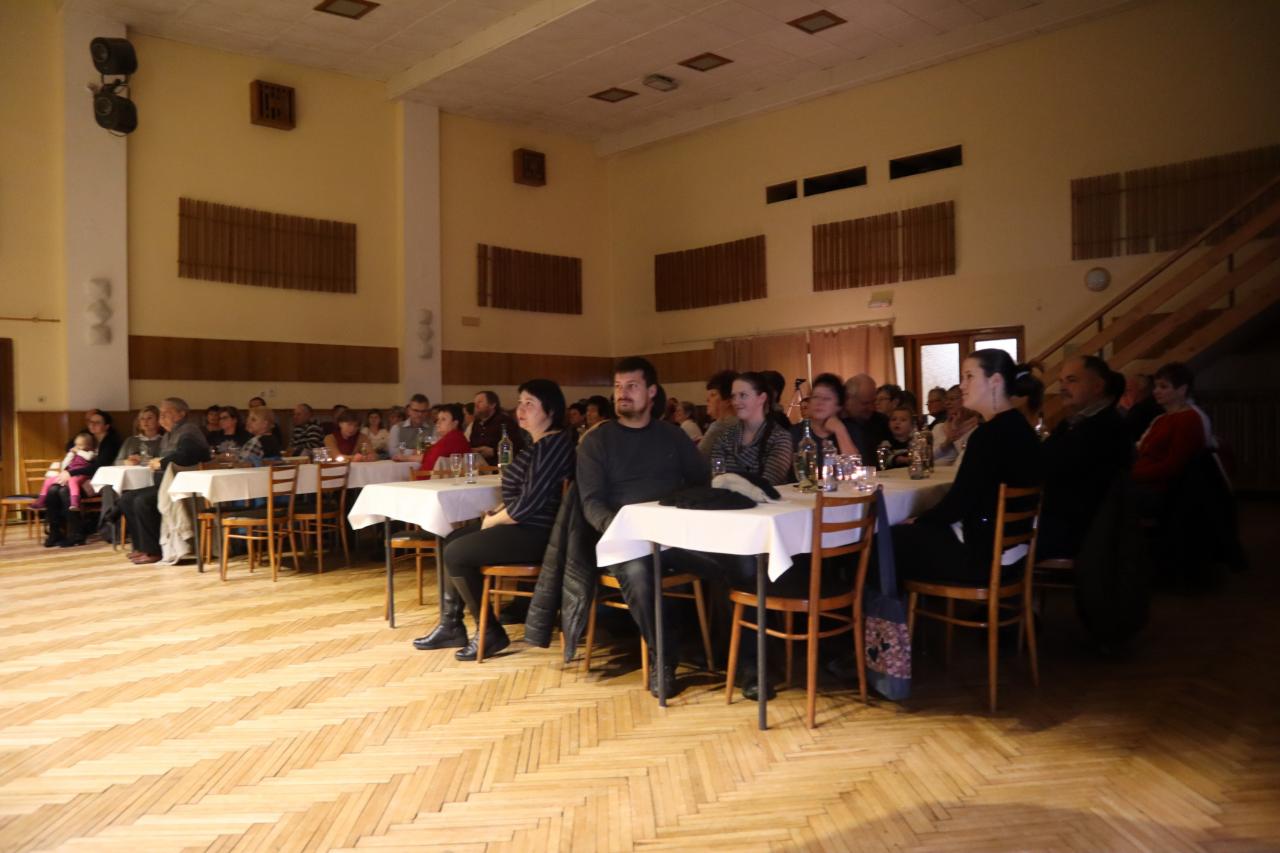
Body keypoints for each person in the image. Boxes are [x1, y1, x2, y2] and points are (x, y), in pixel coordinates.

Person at [578, 356, 711, 697]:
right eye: (618, 386)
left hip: (674, 535)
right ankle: (663, 658)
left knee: (736, 559)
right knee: (638, 573)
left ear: (652, 392)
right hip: (624, 539)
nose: (622, 393)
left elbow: (701, 482)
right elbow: (591, 503)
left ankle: (734, 655)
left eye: (632, 386)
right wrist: (623, 528)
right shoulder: (596, 441)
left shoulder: (672, 436)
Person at [416, 380, 576, 659]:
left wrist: (493, 521)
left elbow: (528, 505)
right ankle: (451, 624)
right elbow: (523, 494)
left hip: (538, 533)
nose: (521, 410)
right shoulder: (539, 444)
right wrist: (498, 511)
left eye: (530, 404)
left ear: (550, 410)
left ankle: (489, 631)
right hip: (523, 526)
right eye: (520, 403)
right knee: (450, 539)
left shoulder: (553, 445)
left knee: (456, 552)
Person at [893, 350, 1043, 586]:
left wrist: (919, 520)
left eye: (969, 376)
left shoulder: (988, 435)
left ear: (995, 381)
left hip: (982, 556)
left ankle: (882, 610)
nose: (962, 385)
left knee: (885, 540)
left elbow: (960, 501)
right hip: (1014, 551)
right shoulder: (1023, 429)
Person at [1039, 356, 1133, 559]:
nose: (1063, 388)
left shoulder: (1107, 427)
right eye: (1061, 381)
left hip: (1084, 532)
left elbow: (1060, 472)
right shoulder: (1073, 423)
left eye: (1071, 380)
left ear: (1097, 386)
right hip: (1066, 521)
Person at [118, 397, 210, 564]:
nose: (162, 417)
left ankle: (154, 551)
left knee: (142, 501)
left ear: (181, 414)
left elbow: (186, 454)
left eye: (167, 413)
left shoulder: (189, 430)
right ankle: (141, 547)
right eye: (160, 413)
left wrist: (161, 463)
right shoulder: (168, 435)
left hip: (183, 487)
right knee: (127, 498)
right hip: (165, 485)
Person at [1133, 362, 1212, 492]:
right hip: (1147, 482)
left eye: (1163, 387)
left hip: (1165, 489)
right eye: (1156, 386)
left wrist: (1134, 474)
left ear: (1182, 390)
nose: (1155, 391)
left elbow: (1174, 465)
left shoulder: (1188, 419)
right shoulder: (1161, 419)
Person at [712, 372, 794, 485]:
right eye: (733, 396)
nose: (735, 402)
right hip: (728, 496)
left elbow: (768, 483)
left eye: (743, 395)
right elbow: (717, 481)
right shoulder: (725, 437)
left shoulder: (780, 438)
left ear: (762, 398)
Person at [34, 432, 97, 546]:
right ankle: (55, 532)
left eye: (80, 445)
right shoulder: (75, 453)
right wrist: (70, 455)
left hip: (85, 482)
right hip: (70, 477)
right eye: (76, 445)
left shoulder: (92, 453)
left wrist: (71, 471)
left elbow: (91, 467)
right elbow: (64, 465)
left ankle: (75, 534)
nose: (77, 447)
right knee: (53, 490)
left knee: (64, 491)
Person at [792, 373, 859, 465]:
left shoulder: (852, 431)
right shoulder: (795, 434)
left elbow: (856, 468)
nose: (819, 402)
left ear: (838, 406)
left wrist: (840, 431)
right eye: (815, 397)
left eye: (826, 398)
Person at [843, 374, 890, 460]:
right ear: (848, 399)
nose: (871, 408)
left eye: (873, 402)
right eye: (865, 403)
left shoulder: (882, 421)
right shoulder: (835, 424)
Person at [470, 390, 525, 464]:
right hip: (479, 465)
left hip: (499, 466)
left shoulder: (505, 422)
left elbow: (516, 447)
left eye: (480, 402)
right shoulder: (476, 423)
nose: (476, 405)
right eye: (475, 403)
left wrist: (494, 451)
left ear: (492, 405)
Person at [931, 385, 980, 465]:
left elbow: (965, 458)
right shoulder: (938, 428)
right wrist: (945, 444)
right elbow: (927, 457)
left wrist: (955, 428)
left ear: (964, 401)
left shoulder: (975, 429)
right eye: (946, 399)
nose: (947, 403)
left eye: (952, 399)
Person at [419, 403, 471, 473]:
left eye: (443, 419)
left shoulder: (452, 439)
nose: (438, 422)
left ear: (455, 423)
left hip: (432, 478)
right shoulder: (454, 437)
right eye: (438, 419)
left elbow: (431, 464)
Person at [698, 369, 738, 458]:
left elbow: (696, 459)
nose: (707, 400)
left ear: (729, 400)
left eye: (713, 395)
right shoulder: (746, 423)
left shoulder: (721, 426)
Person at [389, 394, 433, 461]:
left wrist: (406, 453)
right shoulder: (396, 428)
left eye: (423, 411)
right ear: (409, 410)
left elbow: (435, 452)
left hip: (426, 465)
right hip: (402, 466)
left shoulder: (434, 428)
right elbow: (393, 452)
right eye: (416, 410)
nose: (420, 414)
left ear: (427, 411)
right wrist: (414, 452)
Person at [1123, 373, 1162, 442]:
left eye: (1128, 390)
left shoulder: (1140, 410)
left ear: (1142, 390)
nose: (1124, 396)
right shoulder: (1157, 404)